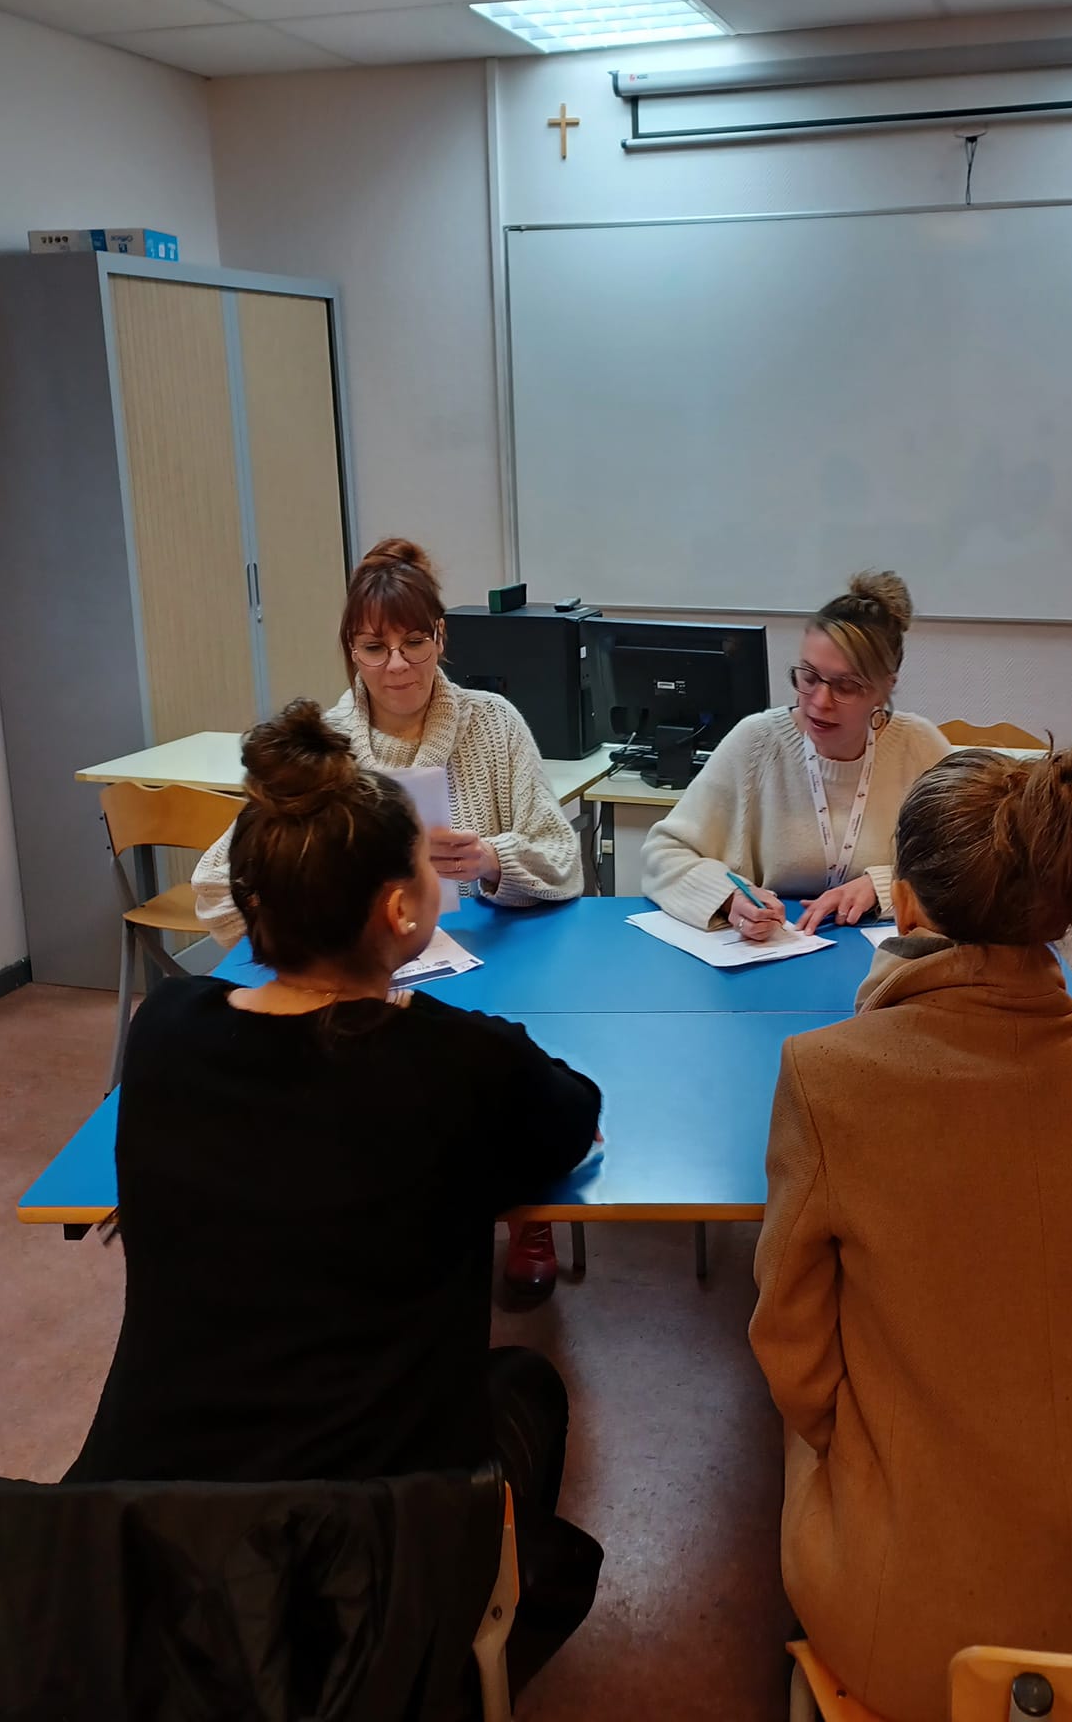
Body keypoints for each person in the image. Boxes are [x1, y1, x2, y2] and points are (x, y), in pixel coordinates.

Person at [69, 701, 602, 1697]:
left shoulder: (168, 1030)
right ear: (401, 911)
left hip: (142, 1534)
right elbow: (574, 1118)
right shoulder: (462, 1061)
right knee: (527, 1384)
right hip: (371, 1554)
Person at [749, 746, 1072, 1722]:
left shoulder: (825, 1075)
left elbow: (792, 1348)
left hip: (914, 1637)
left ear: (905, 906)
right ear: (1063, 907)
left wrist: (869, 1451)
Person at [194, 535, 582, 1300]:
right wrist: (321, 924)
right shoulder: (325, 749)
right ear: (350, 649)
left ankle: (525, 1211)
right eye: (374, 648)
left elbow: (562, 858)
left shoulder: (493, 724)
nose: (397, 666)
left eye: (415, 643)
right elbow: (218, 881)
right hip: (359, 969)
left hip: (494, 954)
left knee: (502, 1060)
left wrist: (493, 858)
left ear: (443, 636)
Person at [640, 572, 949, 939]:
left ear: (885, 687)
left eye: (846, 686)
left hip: (884, 957)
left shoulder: (919, 747)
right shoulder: (757, 742)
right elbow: (663, 853)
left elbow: (971, 864)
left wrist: (886, 886)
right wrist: (728, 896)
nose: (820, 702)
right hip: (772, 951)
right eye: (809, 678)